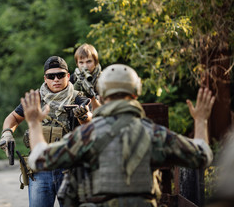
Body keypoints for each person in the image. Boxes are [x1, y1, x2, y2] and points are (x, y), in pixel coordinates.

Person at [21, 64, 215, 207]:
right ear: (136, 93)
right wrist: (201, 120)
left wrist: (34, 123)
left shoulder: (87, 134)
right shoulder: (154, 133)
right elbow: (202, 156)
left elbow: (39, 160)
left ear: (102, 95)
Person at [0, 56, 92, 207]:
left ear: (68, 76)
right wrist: (7, 133)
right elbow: (13, 118)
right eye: (51, 76)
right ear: (45, 78)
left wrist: (84, 115)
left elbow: (90, 123)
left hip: (69, 170)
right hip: (40, 169)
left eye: (61, 75)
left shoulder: (78, 98)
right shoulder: (35, 99)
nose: (56, 79)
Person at [70, 43, 101, 110]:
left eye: (89, 62)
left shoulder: (103, 78)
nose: (85, 66)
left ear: (95, 62)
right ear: (77, 64)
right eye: (81, 62)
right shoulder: (73, 78)